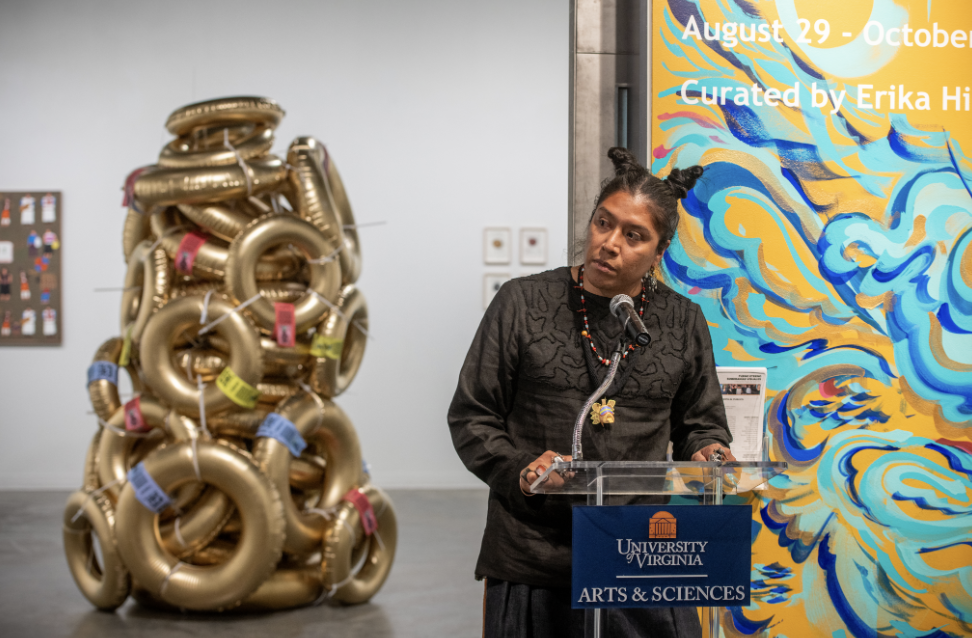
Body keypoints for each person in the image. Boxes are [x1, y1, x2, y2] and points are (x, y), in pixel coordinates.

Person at [448, 147, 735, 638]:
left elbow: (698, 422)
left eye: (633, 235)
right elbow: (472, 417)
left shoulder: (682, 321)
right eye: (604, 223)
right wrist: (521, 469)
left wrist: (710, 449)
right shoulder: (522, 302)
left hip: (640, 553)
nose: (609, 243)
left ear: (659, 252)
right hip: (535, 553)